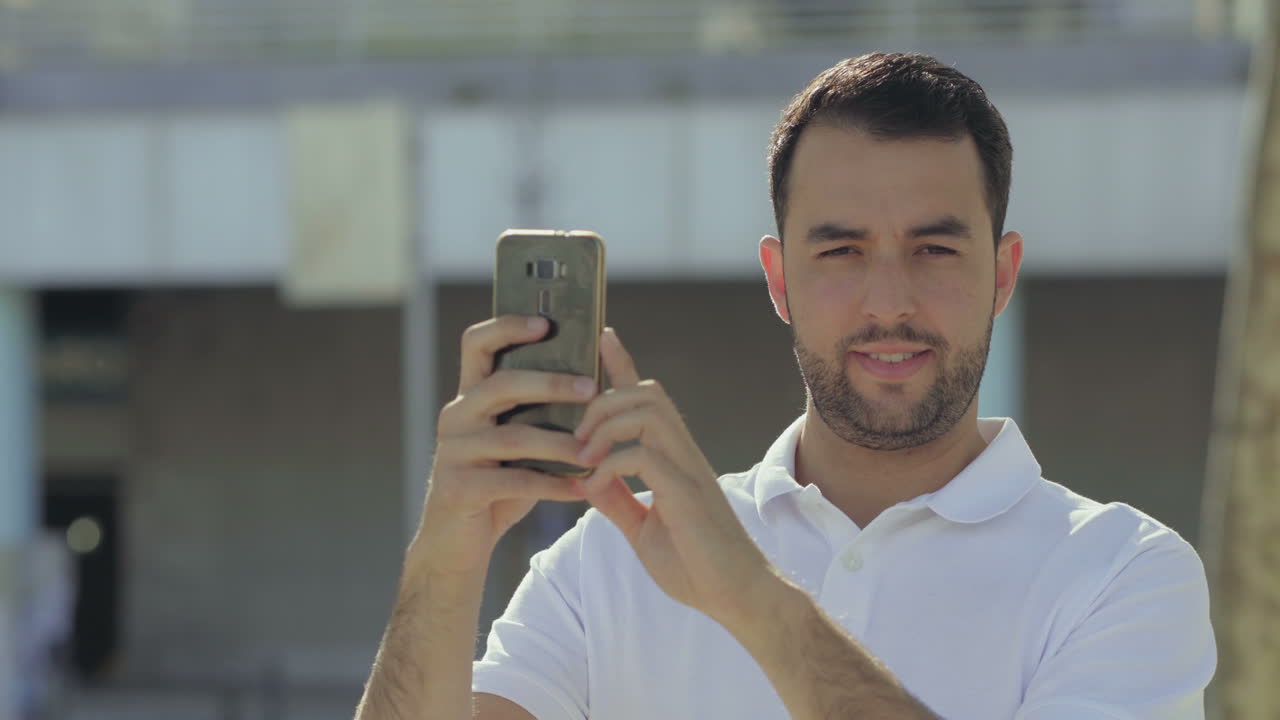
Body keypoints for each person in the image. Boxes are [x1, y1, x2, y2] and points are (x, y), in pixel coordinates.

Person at [355, 52, 1216, 719]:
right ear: (778, 280)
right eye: (840, 252)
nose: (890, 301)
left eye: (935, 249)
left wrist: (752, 598)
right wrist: (446, 555)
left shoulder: (1122, 574)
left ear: (1002, 272)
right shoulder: (606, 564)